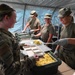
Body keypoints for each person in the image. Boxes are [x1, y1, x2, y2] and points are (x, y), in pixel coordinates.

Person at [0, 4, 35, 75]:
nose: (16, 21)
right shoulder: (3, 40)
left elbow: (10, 45)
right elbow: (10, 70)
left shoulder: (5, 33)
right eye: (14, 18)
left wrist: (19, 45)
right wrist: (31, 60)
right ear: (6, 18)